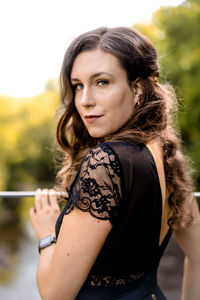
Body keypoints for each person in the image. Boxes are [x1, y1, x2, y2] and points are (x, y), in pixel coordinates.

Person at [29, 27, 200, 300]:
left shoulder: (105, 162)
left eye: (102, 82)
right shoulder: (166, 156)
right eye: (78, 86)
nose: (85, 101)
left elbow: (55, 294)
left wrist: (47, 233)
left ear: (138, 89)